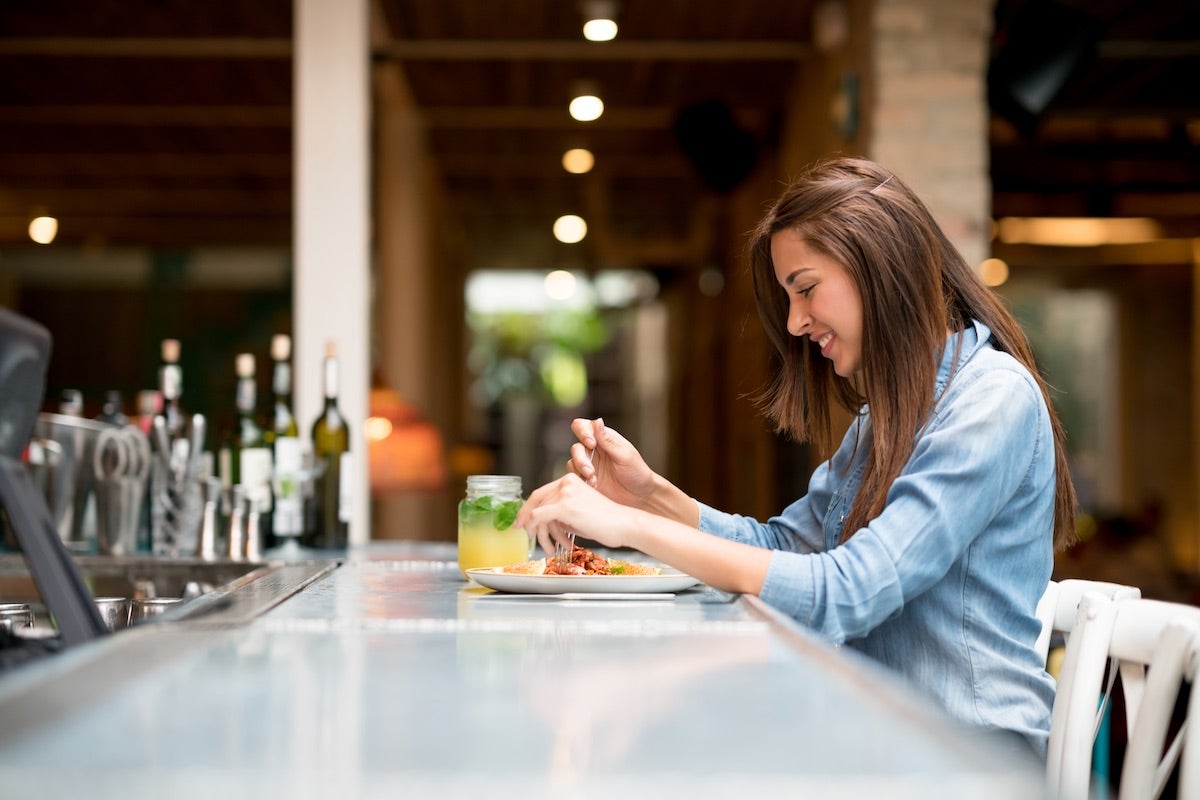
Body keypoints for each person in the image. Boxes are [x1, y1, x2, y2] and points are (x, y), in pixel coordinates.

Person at [514, 156, 1078, 757]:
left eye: (806, 289)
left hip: (968, 758)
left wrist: (630, 528)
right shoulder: (888, 414)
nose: (795, 321)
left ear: (878, 263)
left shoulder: (991, 399)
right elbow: (788, 549)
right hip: (880, 735)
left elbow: (848, 591)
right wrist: (648, 496)